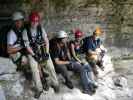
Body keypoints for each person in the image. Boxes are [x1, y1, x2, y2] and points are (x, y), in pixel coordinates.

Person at [7, 11, 43, 98]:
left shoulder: (25, 28)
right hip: (16, 54)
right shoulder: (11, 33)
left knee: (36, 57)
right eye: (16, 21)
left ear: (23, 20)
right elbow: (9, 50)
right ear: (14, 22)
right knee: (31, 62)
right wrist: (22, 46)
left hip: (25, 51)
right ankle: (37, 83)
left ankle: (41, 77)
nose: (19, 22)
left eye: (20, 20)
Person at [23, 11, 59, 93]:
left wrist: (46, 53)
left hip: (42, 49)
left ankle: (55, 84)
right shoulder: (26, 31)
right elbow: (27, 46)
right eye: (33, 21)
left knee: (51, 67)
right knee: (34, 69)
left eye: (36, 21)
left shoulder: (40, 28)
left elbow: (46, 41)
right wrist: (34, 55)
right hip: (32, 51)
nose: (35, 23)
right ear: (30, 21)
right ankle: (39, 89)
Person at [69, 29, 97, 94]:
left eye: (80, 37)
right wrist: (80, 61)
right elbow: (73, 55)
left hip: (81, 58)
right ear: (75, 37)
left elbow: (89, 39)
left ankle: (91, 83)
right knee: (83, 69)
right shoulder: (72, 43)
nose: (78, 38)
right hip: (74, 59)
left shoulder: (81, 41)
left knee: (89, 68)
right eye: (77, 37)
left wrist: (83, 59)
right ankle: (86, 88)